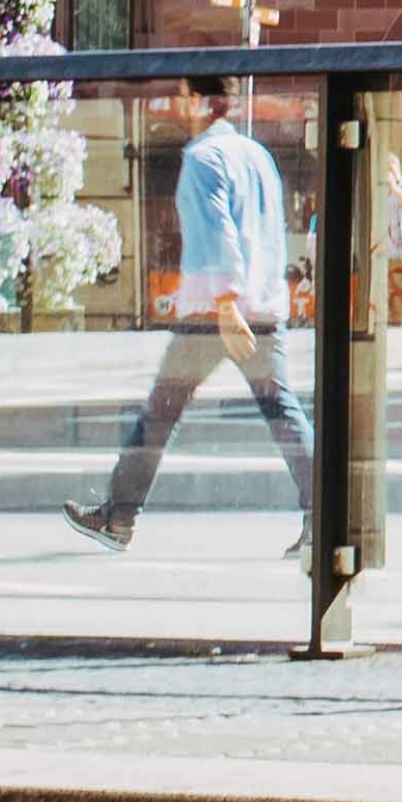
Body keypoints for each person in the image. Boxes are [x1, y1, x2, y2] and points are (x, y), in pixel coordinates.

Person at [63, 75, 311, 556]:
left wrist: (225, 303)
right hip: (261, 306)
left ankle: (118, 517)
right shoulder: (257, 155)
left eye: (182, 94)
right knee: (283, 413)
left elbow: (219, 232)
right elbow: (271, 232)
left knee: (160, 413)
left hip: (213, 312)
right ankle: (322, 521)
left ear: (199, 100)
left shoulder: (202, 158)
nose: (177, 103)